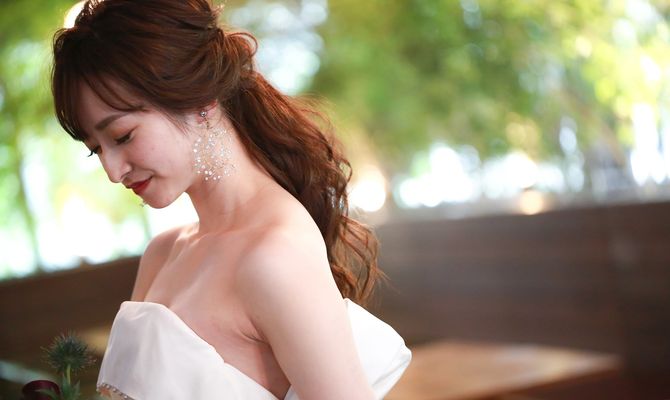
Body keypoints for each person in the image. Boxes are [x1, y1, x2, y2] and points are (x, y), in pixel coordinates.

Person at [51, 0, 411, 399]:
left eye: (122, 136)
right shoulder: (162, 253)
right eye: (96, 149)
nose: (112, 171)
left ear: (200, 100)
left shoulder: (274, 254)